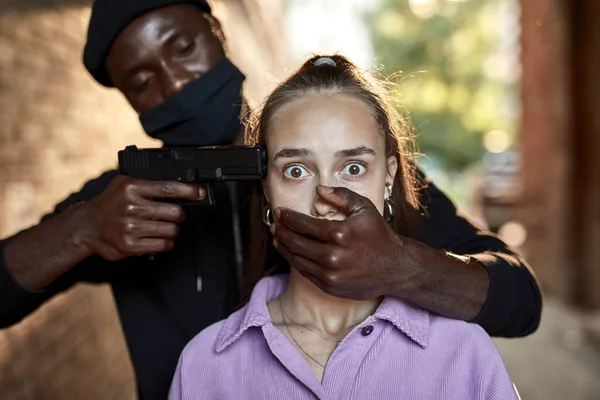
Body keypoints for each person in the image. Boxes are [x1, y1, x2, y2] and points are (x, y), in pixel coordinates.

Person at [0, 1, 539, 399]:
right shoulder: (120, 201)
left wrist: (401, 268)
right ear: (127, 97)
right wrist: (82, 229)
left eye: (183, 48)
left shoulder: (352, 168)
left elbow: (520, 299)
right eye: (142, 80)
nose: (175, 83)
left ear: (217, 32)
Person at [169, 55, 519, 400]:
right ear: (266, 190)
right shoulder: (203, 365)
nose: (325, 199)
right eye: (295, 170)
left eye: (353, 168)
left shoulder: (466, 356)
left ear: (388, 179)